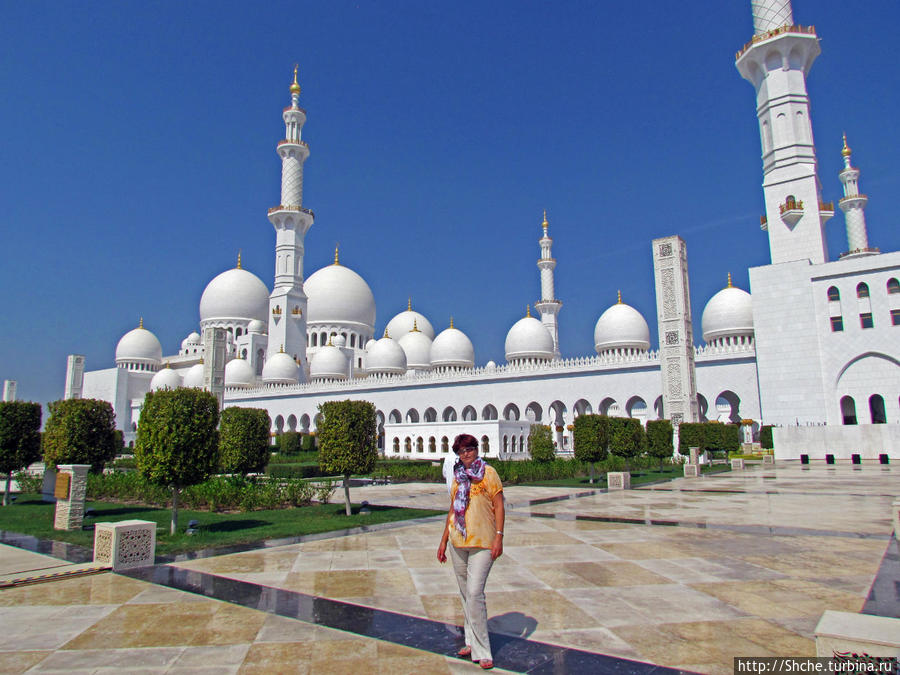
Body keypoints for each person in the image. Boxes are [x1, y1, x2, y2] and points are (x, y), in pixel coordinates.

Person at [436, 433, 504, 670]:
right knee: (466, 594)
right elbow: (453, 509)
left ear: (477, 449)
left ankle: (482, 650)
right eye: (462, 451)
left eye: (470, 449)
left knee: (476, 594)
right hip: (458, 541)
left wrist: (499, 537)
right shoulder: (457, 476)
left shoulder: (488, 473)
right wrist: (443, 540)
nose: (466, 454)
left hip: (484, 542)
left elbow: (499, 505)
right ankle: (469, 641)